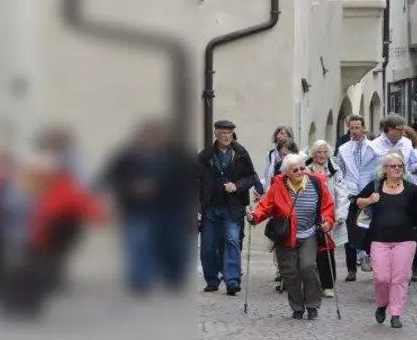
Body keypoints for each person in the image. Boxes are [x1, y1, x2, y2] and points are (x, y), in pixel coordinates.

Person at [0, 149, 107, 319]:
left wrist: (99, 215)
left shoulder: (62, 187)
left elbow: (86, 205)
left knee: (36, 273)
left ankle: (29, 304)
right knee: (9, 270)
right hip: (3, 235)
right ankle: (9, 303)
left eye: (41, 173)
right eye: (31, 171)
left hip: (41, 238)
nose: (36, 176)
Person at [102, 120, 197, 295]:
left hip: (173, 208)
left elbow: (190, 180)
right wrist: (132, 187)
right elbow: (111, 177)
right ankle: (141, 281)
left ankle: (173, 277)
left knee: (174, 245)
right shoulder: (129, 156)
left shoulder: (178, 156)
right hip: (139, 209)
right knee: (140, 244)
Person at [248, 153, 336, 320]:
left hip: (308, 233)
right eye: (295, 169)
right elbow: (265, 207)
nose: (301, 171)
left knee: (308, 267)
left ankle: (312, 304)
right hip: (286, 235)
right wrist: (254, 216)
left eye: (302, 168)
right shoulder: (278, 185)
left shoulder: (316, 183)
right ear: (286, 172)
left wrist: (327, 221)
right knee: (289, 272)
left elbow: (328, 206)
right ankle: (297, 306)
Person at [355, 151, 417, 328]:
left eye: (399, 166)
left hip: (405, 239)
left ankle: (396, 313)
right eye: (392, 166)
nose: (396, 169)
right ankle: (381, 303)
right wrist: (370, 199)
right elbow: (358, 202)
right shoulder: (376, 186)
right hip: (379, 238)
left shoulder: (411, 189)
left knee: (400, 277)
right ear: (384, 169)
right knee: (382, 277)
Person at [198, 119, 259, 296]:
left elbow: (251, 177)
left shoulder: (240, 153)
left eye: (229, 133)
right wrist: (198, 204)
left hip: (233, 207)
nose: (226, 136)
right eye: (223, 132)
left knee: (232, 241)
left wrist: (237, 186)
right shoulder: (205, 155)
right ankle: (212, 279)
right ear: (216, 133)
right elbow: (197, 181)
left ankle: (232, 281)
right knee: (209, 245)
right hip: (211, 207)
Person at [335, 115, 377, 282]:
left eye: (357, 127)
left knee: (371, 229)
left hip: (368, 191)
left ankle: (371, 259)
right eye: (352, 128)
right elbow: (341, 172)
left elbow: (376, 169)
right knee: (350, 231)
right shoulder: (344, 149)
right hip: (351, 193)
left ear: (363, 127)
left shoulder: (373, 147)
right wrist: (343, 192)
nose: (354, 131)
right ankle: (351, 269)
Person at [306, 141, 348, 296]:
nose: (322, 155)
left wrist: (341, 214)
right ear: (313, 154)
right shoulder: (305, 169)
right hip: (310, 213)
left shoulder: (334, 171)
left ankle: (328, 284)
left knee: (326, 249)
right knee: (310, 249)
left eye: (324, 152)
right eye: (318, 152)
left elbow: (342, 193)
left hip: (328, 212)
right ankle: (311, 282)